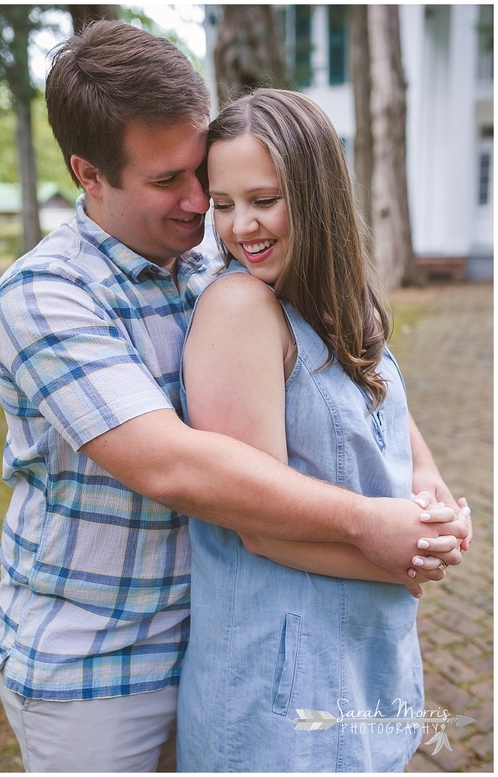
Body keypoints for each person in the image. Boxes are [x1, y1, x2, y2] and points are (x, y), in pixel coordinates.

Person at [0, 19, 470, 772]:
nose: (198, 205)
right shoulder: (47, 295)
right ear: (89, 174)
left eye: (201, 177)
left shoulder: (213, 252)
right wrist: (374, 528)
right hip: (100, 665)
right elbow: (175, 467)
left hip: (218, 634)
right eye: (168, 182)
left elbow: (355, 369)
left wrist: (425, 483)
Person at [177, 88, 469, 771]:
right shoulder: (240, 307)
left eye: (263, 199)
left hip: (363, 664)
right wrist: (410, 557)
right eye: (222, 204)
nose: (239, 226)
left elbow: (384, 399)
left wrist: (432, 495)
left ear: (316, 193)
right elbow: (257, 521)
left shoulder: (338, 300)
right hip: (280, 688)